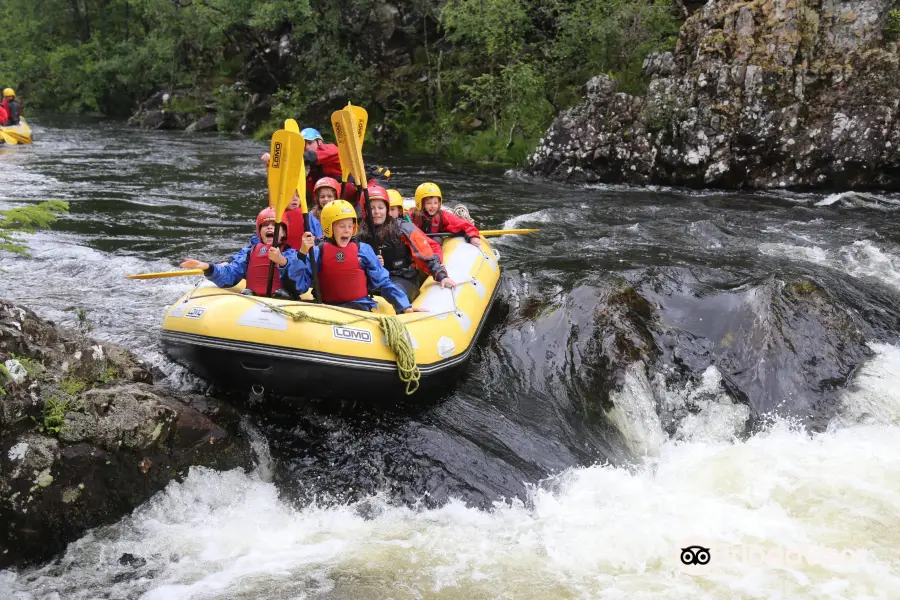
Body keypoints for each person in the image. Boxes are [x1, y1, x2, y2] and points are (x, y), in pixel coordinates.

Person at [292, 200, 427, 314]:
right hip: (328, 308)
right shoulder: (316, 252)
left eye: (350, 226)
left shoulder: (363, 250)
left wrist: (404, 306)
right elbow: (299, 286)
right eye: (341, 226)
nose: (347, 230)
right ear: (329, 227)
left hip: (359, 308)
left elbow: (383, 282)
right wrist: (302, 253)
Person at [357, 185, 456, 301]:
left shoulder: (404, 228)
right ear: (365, 210)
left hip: (401, 277)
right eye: (372, 208)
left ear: (387, 209)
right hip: (373, 278)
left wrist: (441, 275)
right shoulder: (361, 232)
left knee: (393, 294)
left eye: (380, 207)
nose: (377, 212)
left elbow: (425, 253)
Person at [181, 207, 297, 298]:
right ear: (259, 232)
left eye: (275, 225)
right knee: (246, 293)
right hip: (253, 299)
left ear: (284, 233)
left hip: (283, 300)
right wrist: (209, 268)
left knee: (282, 293)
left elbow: (300, 282)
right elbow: (229, 274)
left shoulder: (292, 255)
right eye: (265, 225)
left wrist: (282, 261)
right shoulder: (249, 254)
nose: (270, 228)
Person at [409, 182, 482, 247]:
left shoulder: (443, 216)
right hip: (418, 240)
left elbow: (463, 224)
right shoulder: (413, 214)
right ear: (421, 204)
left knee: (437, 240)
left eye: (435, 203)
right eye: (429, 203)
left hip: (434, 243)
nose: (433, 206)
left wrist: (472, 236)